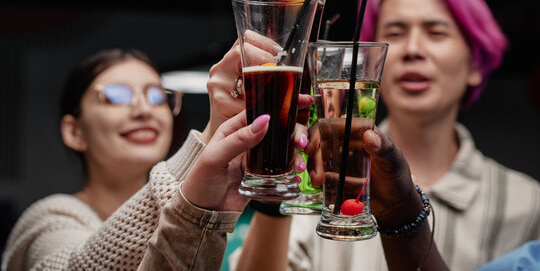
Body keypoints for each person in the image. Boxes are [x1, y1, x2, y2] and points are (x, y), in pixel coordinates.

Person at [230, 0, 540, 271]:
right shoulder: (317, 180)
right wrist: (275, 199)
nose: (413, 50)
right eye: (396, 32)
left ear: (474, 63)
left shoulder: (527, 206)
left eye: (436, 32)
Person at [1, 47, 310, 271]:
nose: (143, 109)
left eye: (156, 96)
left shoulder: (211, 210)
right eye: (118, 96)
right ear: (74, 131)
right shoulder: (48, 221)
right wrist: (203, 143)